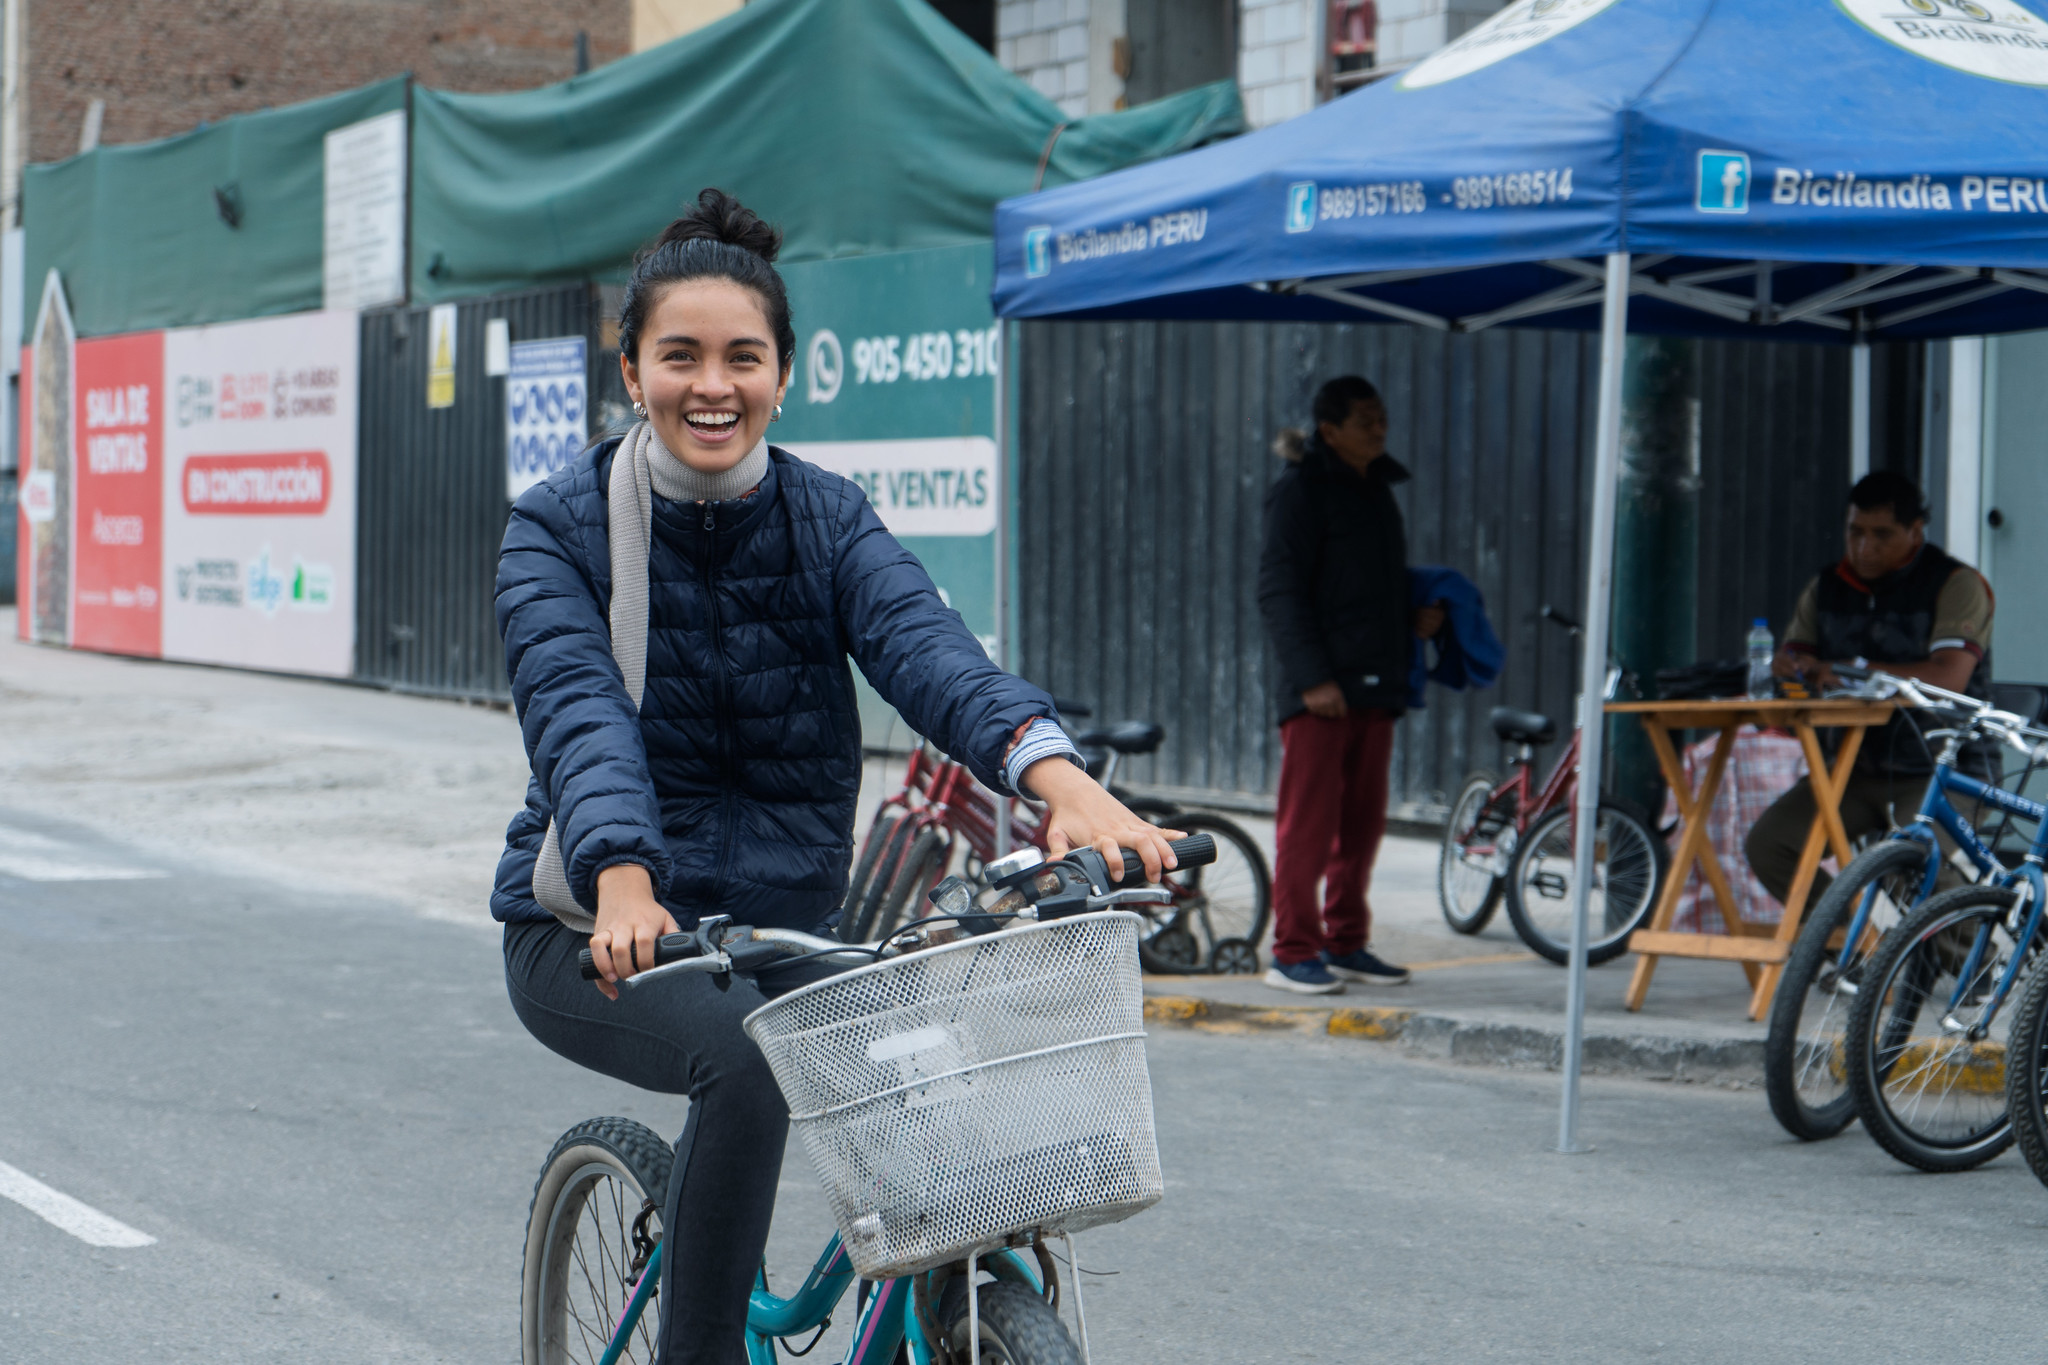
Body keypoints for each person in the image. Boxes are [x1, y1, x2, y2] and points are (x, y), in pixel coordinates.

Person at [491, 189, 1179, 1364]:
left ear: (784, 372)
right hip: (593, 928)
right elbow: (576, 712)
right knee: (740, 1065)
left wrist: (1054, 776)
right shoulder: (556, 531)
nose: (713, 386)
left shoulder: (824, 518)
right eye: (680, 356)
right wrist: (621, 876)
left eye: (742, 358)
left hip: (782, 930)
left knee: (932, 1075)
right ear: (631, 370)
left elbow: (926, 648)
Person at [1257, 375, 1443, 995]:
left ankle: (1345, 941)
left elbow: (1368, 585)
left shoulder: (1377, 490)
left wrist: (1415, 616)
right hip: (1320, 695)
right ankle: (1292, 951)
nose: (1380, 429)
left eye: (1382, 417)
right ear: (1330, 430)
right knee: (1308, 827)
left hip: (1376, 687)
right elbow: (1279, 592)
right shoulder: (1300, 491)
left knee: (1361, 827)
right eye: (1366, 420)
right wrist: (1313, 679)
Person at [1743, 470, 1994, 908]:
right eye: (1855, 532)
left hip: (1944, 770)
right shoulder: (1825, 588)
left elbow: (1949, 679)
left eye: (1882, 535)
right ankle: (1857, 940)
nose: (1864, 547)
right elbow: (1795, 658)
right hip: (1854, 770)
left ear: (1916, 531)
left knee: (1915, 861)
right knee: (1771, 844)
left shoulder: (1957, 584)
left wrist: (1849, 671)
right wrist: (1789, 669)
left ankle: (1971, 952)